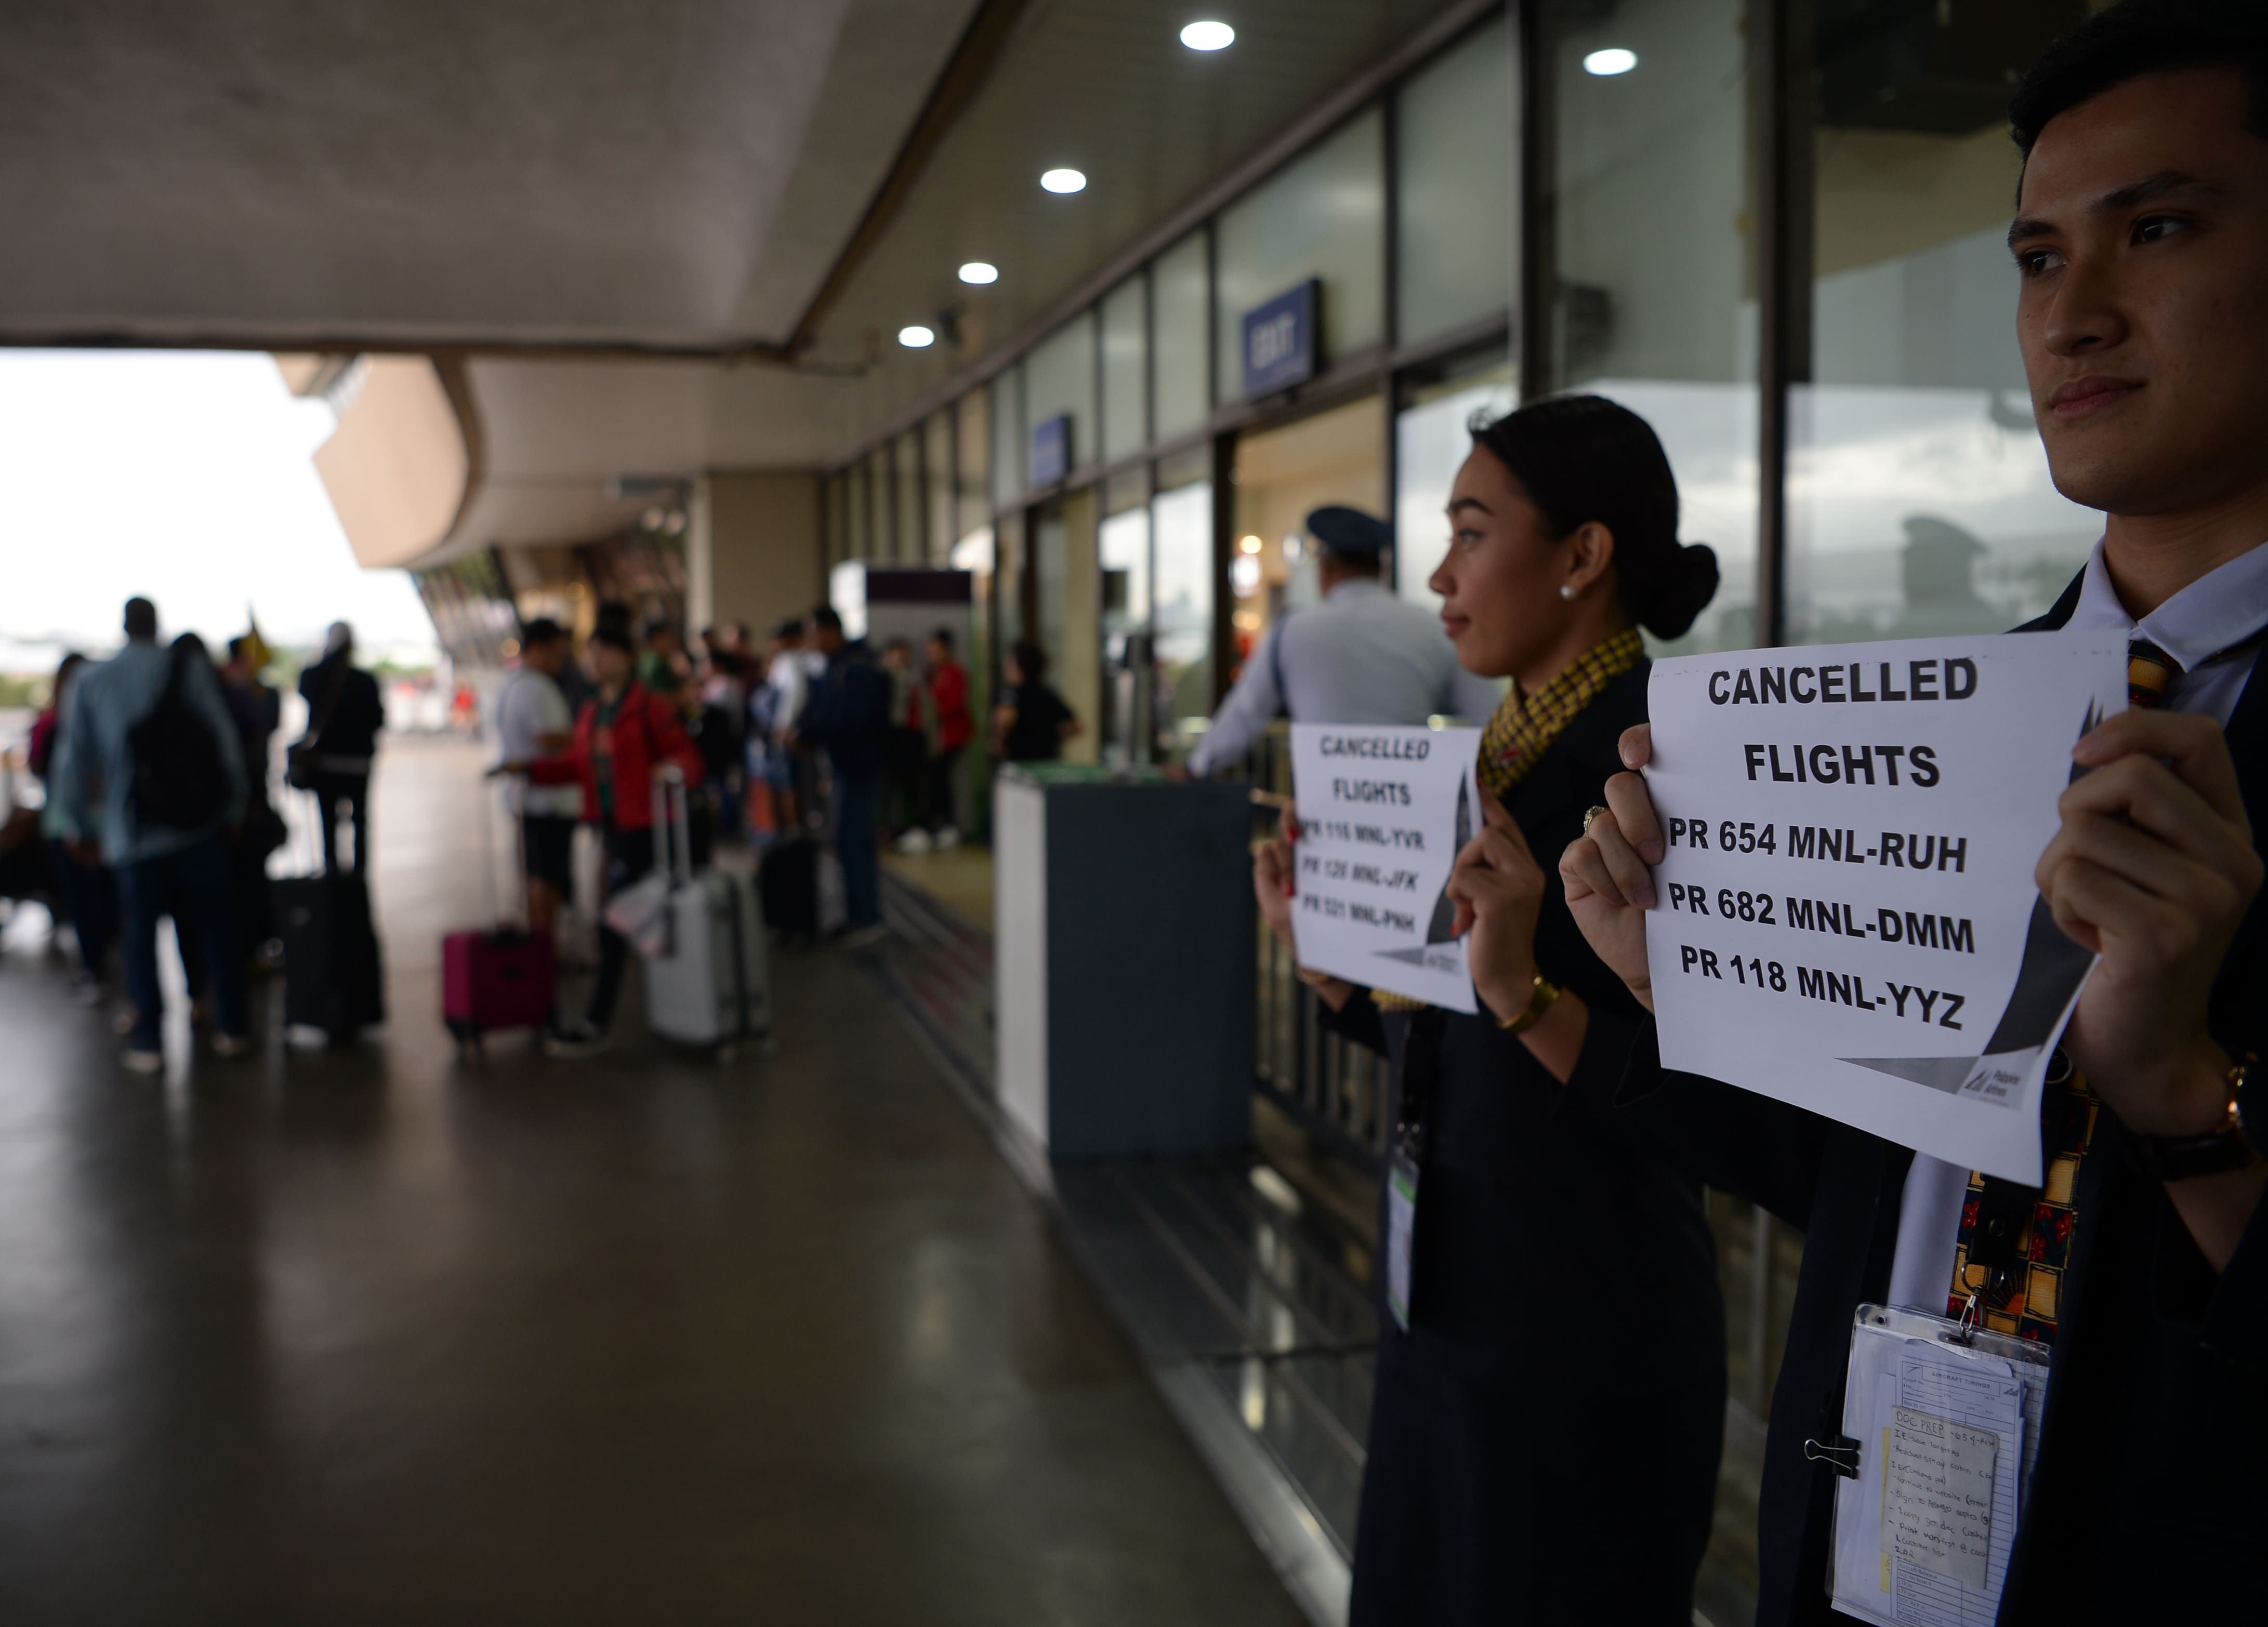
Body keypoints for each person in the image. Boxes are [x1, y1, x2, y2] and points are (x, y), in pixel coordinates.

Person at [1559, 10, 2268, 1618]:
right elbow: (1870, 1183)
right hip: (1864, 1540)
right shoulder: (1967, 725)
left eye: (2156, 229)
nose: (2070, 314)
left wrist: (2182, 1094)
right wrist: (1693, 985)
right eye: (2034, 258)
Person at [1252, 398, 1726, 1624]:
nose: (1437, 576)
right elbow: (1463, 1039)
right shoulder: (1489, 757)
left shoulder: (1667, 771)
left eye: (1470, 532)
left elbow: (1710, 1102)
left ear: (1582, 554)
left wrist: (1521, 987)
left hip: (1580, 1325)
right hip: (1446, 1284)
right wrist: (1331, 969)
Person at [56, 597, 249, 1072]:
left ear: (124, 628)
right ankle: (230, 1025)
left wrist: (78, 825)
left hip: (133, 834)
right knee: (214, 928)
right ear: (156, 625)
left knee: (140, 937)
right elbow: (223, 739)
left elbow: (73, 760)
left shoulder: (93, 681)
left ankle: (148, 1041)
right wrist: (235, 807)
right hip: (198, 826)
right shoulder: (187, 668)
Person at [1182, 505, 1502, 778]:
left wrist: (1197, 768)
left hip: (1325, 812)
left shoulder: (1293, 630)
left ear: (1326, 568)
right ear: (1381, 568)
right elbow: (1488, 717)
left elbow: (1244, 716)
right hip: (1411, 810)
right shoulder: (1432, 626)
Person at [546, 623, 703, 1057]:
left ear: (628, 657)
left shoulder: (650, 707)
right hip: (613, 829)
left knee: (616, 923)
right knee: (634, 925)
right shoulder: (592, 711)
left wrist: (673, 770)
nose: (596, 661)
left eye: (605, 652)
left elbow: (688, 758)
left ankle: (598, 1022)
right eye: (591, 653)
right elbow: (577, 765)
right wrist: (529, 770)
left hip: (652, 832)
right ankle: (673, 1013)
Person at [792, 606, 890, 945]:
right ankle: (857, 914)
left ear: (831, 631)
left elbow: (850, 720)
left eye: (813, 633)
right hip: (846, 767)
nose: (810, 641)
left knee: (854, 841)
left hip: (859, 768)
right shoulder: (837, 667)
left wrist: (808, 735)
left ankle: (866, 917)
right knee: (848, 841)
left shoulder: (857, 669)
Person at [30, 651, 114, 1002]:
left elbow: (41, 768)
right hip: (107, 824)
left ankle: (93, 968)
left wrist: (75, 826)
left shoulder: (53, 723)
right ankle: (104, 962)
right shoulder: (107, 722)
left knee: (81, 901)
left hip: (67, 824)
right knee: (105, 898)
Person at [491, 619, 581, 935]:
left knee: (533, 875)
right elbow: (549, 737)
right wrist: (585, 737)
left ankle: (538, 943)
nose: (561, 662)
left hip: (526, 798)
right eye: (557, 654)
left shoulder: (512, 684)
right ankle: (546, 946)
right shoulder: (538, 688)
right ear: (538, 649)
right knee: (547, 879)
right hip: (548, 801)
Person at [295, 621, 385, 876]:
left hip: (324, 763)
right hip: (358, 764)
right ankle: (359, 874)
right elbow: (378, 720)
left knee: (328, 821)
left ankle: (332, 872)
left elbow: (305, 692)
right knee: (360, 821)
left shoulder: (312, 676)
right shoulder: (365, 681)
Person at [219, 634, 283, 964]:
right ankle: (254, 940)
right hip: (244, 800)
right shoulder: (235, 695)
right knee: (248, 875)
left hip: (245, 801)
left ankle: (256, 940)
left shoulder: (253, 693)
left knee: (251, 873)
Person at [750, 617, 810, 835]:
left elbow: (794, 697)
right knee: (783, 784)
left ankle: (794, 833)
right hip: (781, 730)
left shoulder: (792, 660)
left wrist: (784, 727)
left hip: (787, 732)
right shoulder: (786, 660)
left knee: (789, 785)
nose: (776, 644)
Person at [920, 628, 971, 849]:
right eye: (929, 651)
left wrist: (934, 708)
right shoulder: (929, 675)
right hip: (934, 739)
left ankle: (951, 826)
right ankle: (937, 825)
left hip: (952, 738)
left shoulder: (955, 674)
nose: (931, 655)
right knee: (934, 782)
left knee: (946, 781)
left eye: (935, 650)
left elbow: (951, 705)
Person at [992, 640, 1078, 763]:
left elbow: (1004, 721)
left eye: (1010, 663)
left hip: (1019, 761)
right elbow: (1075, 725)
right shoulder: (1047, 694)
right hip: (1048, 761)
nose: (1006, 668)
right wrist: (1050, 738)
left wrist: (999, 742)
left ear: (1019, 667)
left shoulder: (1011, 695)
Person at [880, 638, 930, 848]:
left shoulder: (916, 679)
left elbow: (926, 711)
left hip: (912, 740)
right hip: (890, 740)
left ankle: (914, 829)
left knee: (913, 786)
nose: (901, 661)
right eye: (897, 656)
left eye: (904, 657)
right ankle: (885, 830)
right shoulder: (882, 680)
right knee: (887, 788)